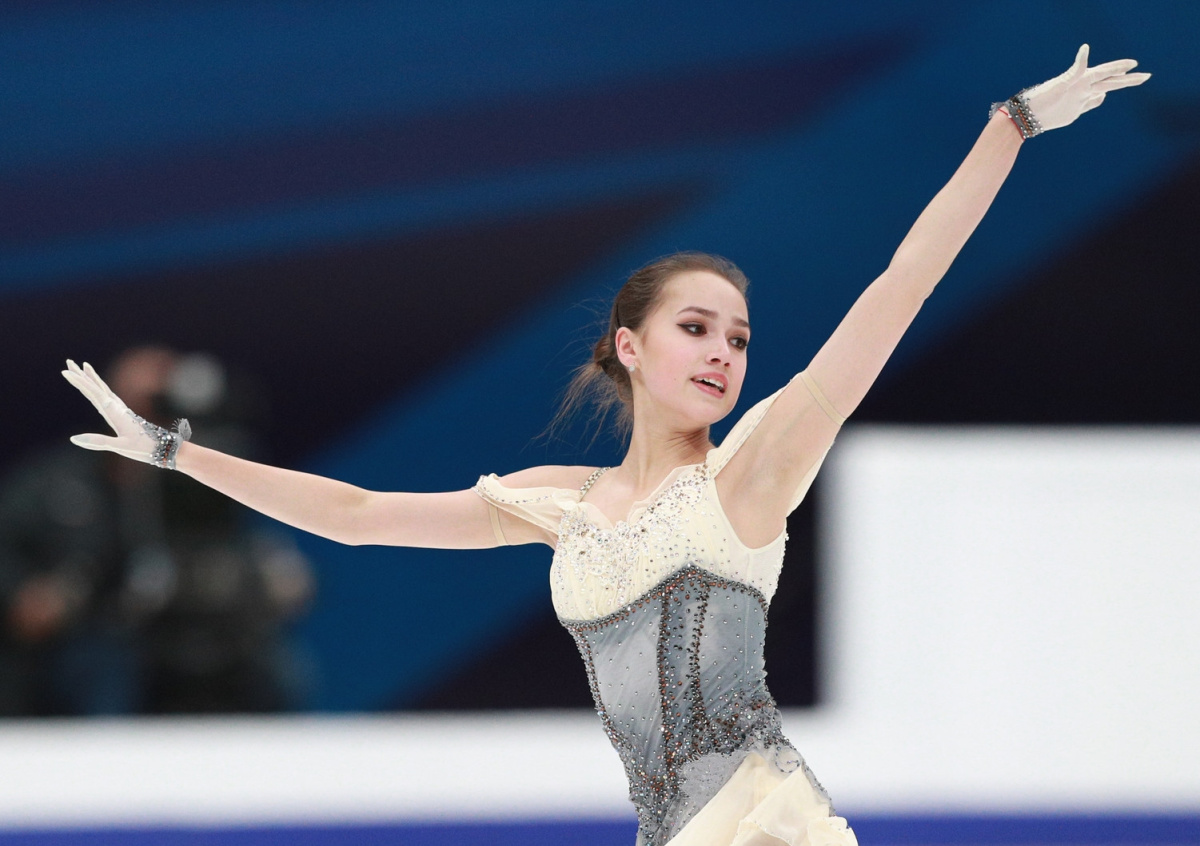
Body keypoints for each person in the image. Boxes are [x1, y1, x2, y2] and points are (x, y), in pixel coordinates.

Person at [61, 47, 1148, 846]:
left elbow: (900, 287)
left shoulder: (754, 468)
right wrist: (172, 454)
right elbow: (355, 516)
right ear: (630, 345)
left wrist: (1009, 125)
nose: (724, 352)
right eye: (697, 328)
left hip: (761, 824)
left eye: (739, 338)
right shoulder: (559, 503)